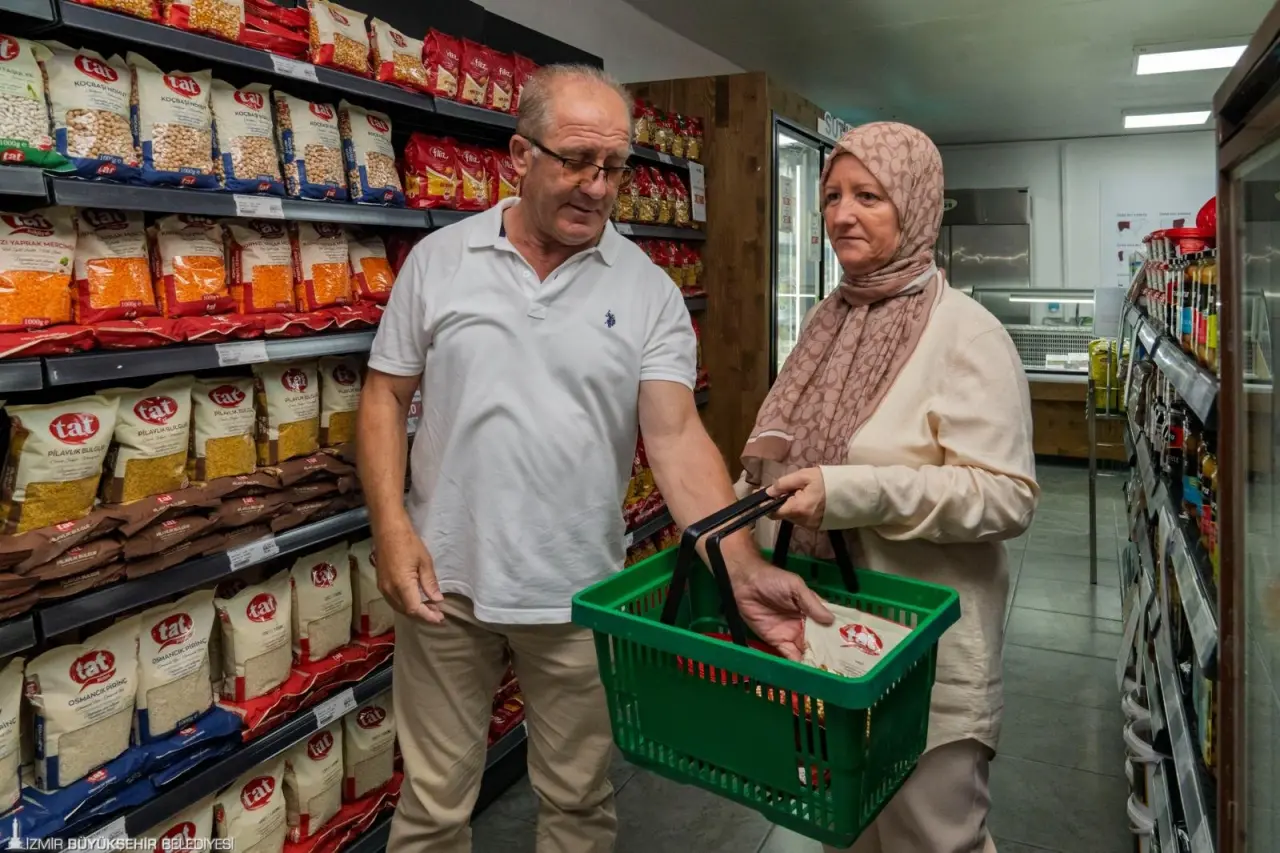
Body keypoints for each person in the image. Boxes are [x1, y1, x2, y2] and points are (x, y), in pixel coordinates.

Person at [357, 63, 829, 853]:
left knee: (577, 804)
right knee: (433, 809)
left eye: (614, 167)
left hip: (579, 595)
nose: (598, 186)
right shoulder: (441, 261)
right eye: (576, 160)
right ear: (518, 155)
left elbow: (675, 437)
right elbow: (382, 396)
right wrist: (390, 526)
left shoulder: (647, 290)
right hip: (445, 585)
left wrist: (740, 565)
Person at [739, 122, 1040, 853]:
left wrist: (855, 491)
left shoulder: (966, 333)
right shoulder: (826, 321)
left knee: (931, 838)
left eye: (868, 196)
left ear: (915, 204)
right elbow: (774, 455)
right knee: (852, 830)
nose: (842, 214)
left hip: (923, 658)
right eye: (833, 195)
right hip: (828, 641)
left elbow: (1006, 497)